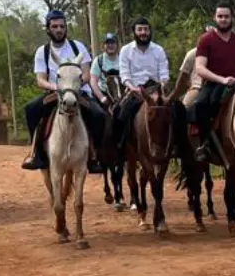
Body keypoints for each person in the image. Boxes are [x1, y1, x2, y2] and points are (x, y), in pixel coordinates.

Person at [20, 10, 105, 173]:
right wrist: (57, 88)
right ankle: (36, 153)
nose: (59, 29)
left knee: (98, 115)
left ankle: (95, 156)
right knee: (31, 109)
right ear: (48, 29)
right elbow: (41, 79)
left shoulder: (77, 47)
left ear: (66, 28)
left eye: (62, 26)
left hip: (79, 91)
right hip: (54, 92)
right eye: (55, 26)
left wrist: (74, 87)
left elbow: (86, 74)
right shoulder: (42, 52)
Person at [191, 3, 235, 162]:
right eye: (220, 16)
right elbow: (200, 68)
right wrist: (222, 79)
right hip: (213, 83)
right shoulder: (205, 40)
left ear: (231, 18)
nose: (223, 19)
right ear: (214, 18)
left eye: (226, 16)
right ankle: (205, 144)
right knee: (200, 104)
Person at [114, 17, 170, 146]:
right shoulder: (125, 50)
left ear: (150, 31)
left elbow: (164, 73)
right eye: (140, 29)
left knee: (177, 109)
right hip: (135, 90)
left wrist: (160, 89)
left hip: (156, 90)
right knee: (120, 112)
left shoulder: (158, 50)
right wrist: (132, 88)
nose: (143, 33)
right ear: (134, 32)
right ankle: (122, 146)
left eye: (146, 29)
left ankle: (177, 147)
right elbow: (124, 74)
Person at [91, 33, 121, 109]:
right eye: (107, 43)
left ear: (117, 45)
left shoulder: (123, 59)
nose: (110, 45)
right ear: (103, 45)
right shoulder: (98, 60)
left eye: (113, 43)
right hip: (104, 93)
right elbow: (93, 81)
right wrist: (101, 97)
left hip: (121, 93)